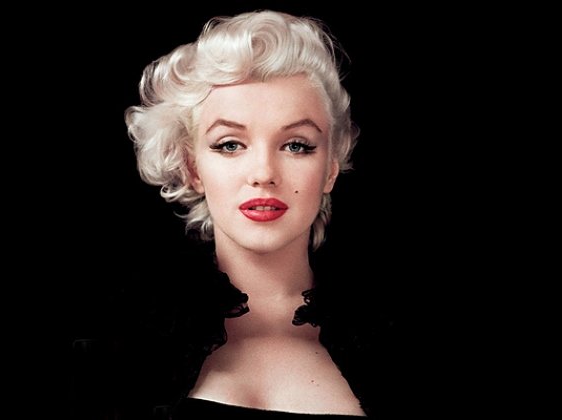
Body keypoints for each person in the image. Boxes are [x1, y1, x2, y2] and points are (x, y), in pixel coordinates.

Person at [72, 9, 401, 420]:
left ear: (331, 167)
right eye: (230, 144)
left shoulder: (392, 347)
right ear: (192, 168)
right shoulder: (117, 343)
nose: (263, 173)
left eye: (296, 145)